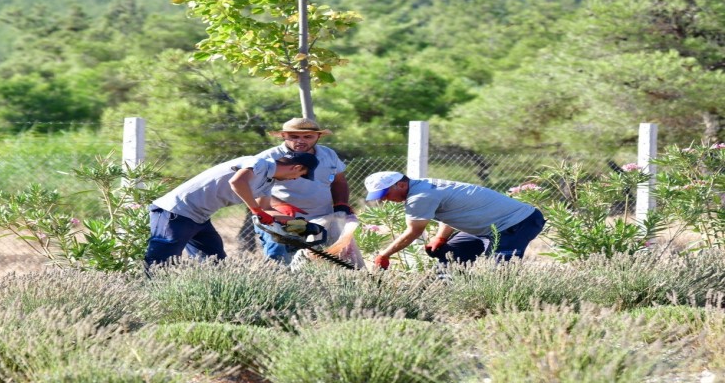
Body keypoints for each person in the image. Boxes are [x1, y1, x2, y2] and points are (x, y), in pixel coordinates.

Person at [144, 152, 318, 267]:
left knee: (214, 262)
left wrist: (302, 225)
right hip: (174, 211)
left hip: (200, 218)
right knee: (160, 262)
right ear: (297, 167)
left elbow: (266, 210)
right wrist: (256, 210)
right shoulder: (258, 163)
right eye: (300, 175)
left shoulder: (268, 182)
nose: (295, 179)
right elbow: (237, 182)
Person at [363, 171, 546, 270]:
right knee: (451, 255)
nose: (383, 199)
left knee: (498, 272)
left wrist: (384, 255)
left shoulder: (419, 196)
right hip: (489, 226)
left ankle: (502, 308)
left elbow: (413, 232)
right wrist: (441, 238)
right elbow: (451, 211)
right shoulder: (423, 185)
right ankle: (447, 293)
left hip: (517, 223)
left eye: (385, 194)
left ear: (401, 184)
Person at [255, 117, 357, 264]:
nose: (300, 141)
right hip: (278, 219)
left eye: (308, 136)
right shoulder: (268, 157)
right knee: (278, 258)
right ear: (283, 135)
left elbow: (339, 181)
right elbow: (252, 188)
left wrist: (341, 204)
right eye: (294, 136)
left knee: (328, 261)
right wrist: (277, 205)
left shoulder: (329, 154)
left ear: (318, 136)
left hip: (322, 219)